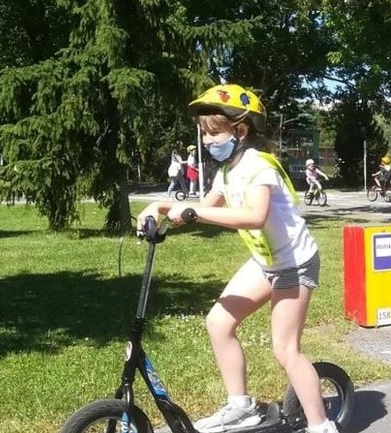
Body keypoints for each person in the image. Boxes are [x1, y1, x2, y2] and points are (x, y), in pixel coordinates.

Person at [136, 83, 340, 433]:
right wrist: (161, 211)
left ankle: (322, 426)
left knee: (285, 350)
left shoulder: (259, 166)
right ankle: (240, 407)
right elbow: (204, 207)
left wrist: (191, 213)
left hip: (294, 263)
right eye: (204, 134)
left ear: (240, 130)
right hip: (265, 262)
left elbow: (254, 216)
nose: (207, 141)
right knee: (219, 323)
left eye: (213, 133)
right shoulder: (227, 171)